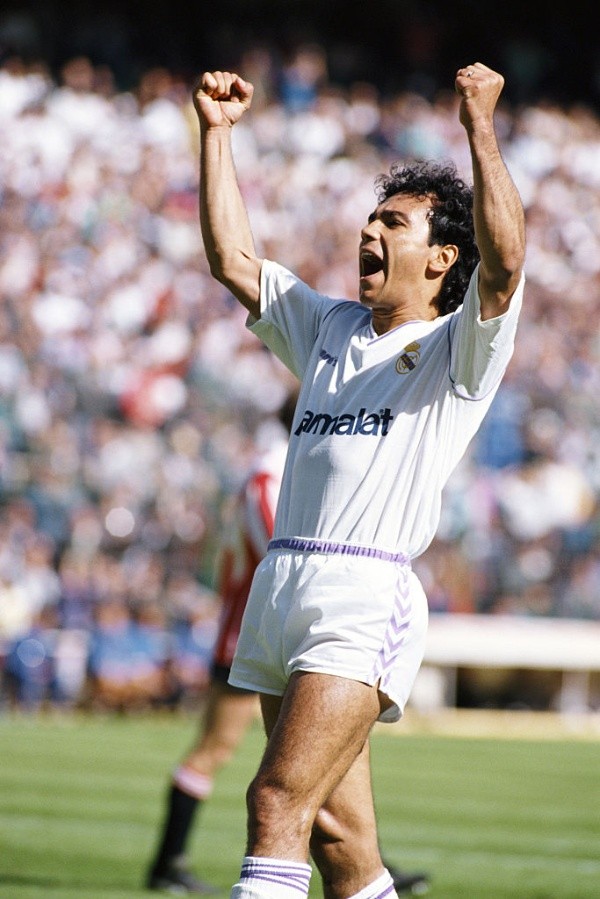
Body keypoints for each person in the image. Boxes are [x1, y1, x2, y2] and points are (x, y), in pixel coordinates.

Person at [193, 60, 525, 899]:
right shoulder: (330, 326)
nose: (368, 233)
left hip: (360, 589)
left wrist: (480, 126)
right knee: (342, 846)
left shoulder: (459, 350)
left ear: (442, 255)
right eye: (370, 218)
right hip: (284, 578)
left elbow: (508, 263)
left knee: (275, 801)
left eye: (394, 223)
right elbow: (233, 257)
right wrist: (216, 134)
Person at [146, 393, 430, 896]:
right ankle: (169, 861)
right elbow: (278, 541)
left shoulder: (293, 462)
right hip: (264, 622)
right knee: (243, 760)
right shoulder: (274, 468)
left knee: (302, 766)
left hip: (282, 616)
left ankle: (363, 861)